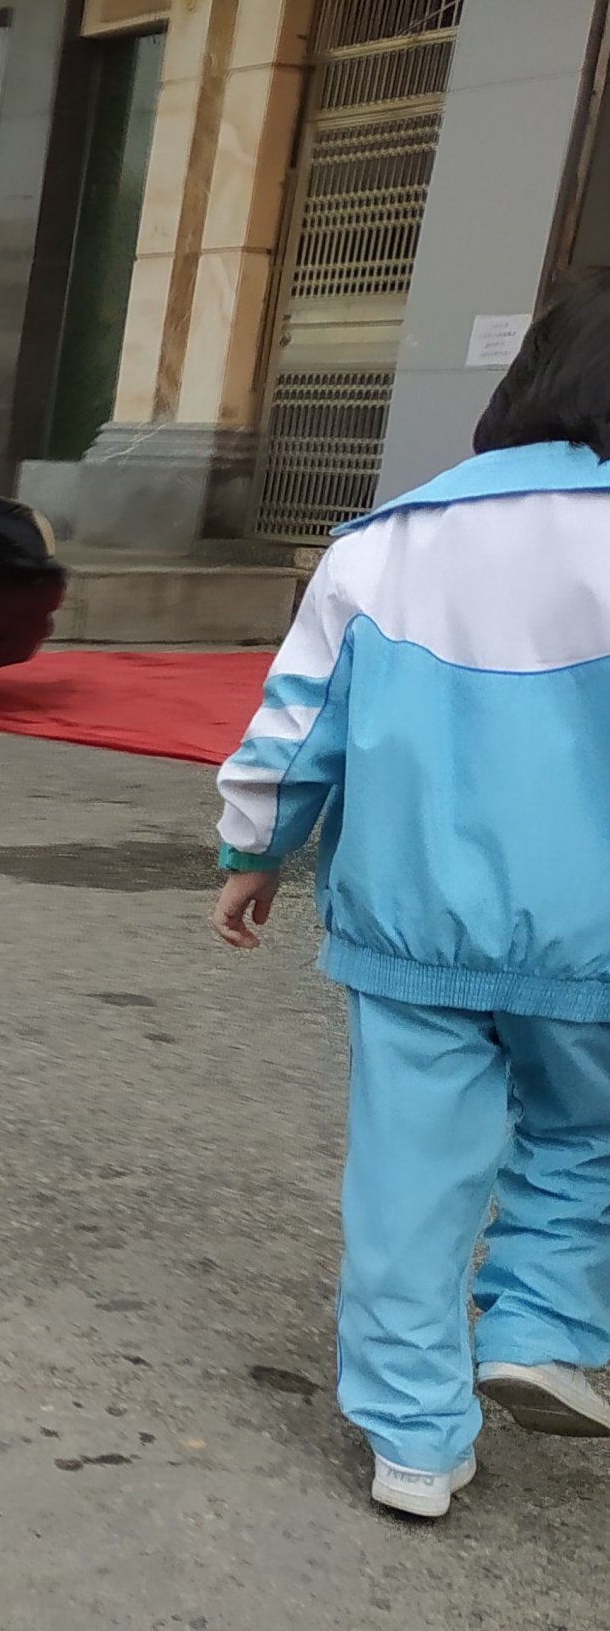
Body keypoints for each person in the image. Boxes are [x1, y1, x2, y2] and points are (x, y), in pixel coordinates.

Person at [211, 272, 610, 1521]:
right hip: (595, 931)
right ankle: (540, 1324)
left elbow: (298, 718)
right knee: (589, 1133)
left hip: (411, 925)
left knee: (407, 1177)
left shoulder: (384, 541)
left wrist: (254, 848)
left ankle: (414, 1442)